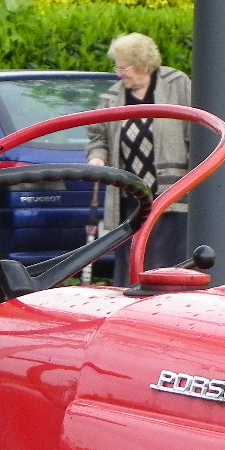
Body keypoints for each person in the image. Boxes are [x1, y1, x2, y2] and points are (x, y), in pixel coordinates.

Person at [85, 33, 191, 287]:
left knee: (165, 264)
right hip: (130, 198)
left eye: (124, 68)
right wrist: (97, 158)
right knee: (131, 264)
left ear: (143, 65)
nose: (119, 74)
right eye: (117, 68)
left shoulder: (176, 84)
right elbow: (98, 136)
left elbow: (196, 131)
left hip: (170, 196)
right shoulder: (111, 98)